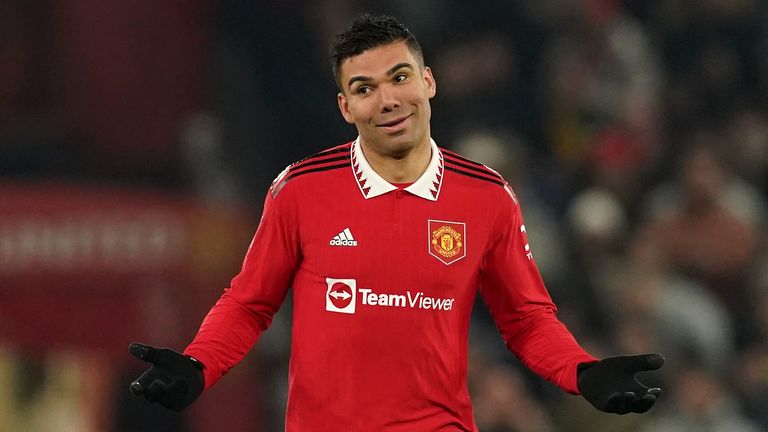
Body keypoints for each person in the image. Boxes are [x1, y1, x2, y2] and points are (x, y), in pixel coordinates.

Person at [129, 13, 665, 431]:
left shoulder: (486, 197)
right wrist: (199, 365)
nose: (387, 100)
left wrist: (581, 370)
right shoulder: (301, 189)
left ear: (428, 82)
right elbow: (250, 304)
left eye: (399, 77)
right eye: (364, 88)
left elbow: (526, 320)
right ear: (345, 106)